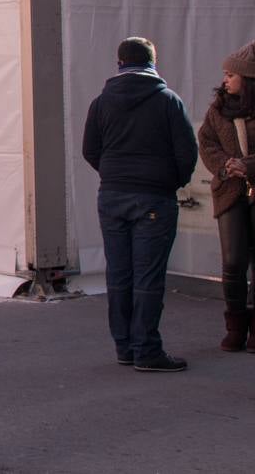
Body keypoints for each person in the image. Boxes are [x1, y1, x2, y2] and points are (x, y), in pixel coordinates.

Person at [82, 37, 197, 372]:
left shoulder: (101, 102)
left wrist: (114, 173)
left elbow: (90, 150)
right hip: (154, 197)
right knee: (148, 276)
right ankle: (146, 348)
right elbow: (186, 152)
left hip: (113, 195)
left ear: (119, 62)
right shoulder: (167, 101)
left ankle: (125, 347)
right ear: (152, 61)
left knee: (119, 274)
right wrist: (168, 181)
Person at [197, 40, 255, 355]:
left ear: (246, 79)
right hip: (230, 191)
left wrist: (249, 165)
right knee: (233, 262)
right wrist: (225, 166)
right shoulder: (218, 110)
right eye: (225, 74)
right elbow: (206, 141)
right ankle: (235, 327)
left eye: (230, 75)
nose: (225, 80)